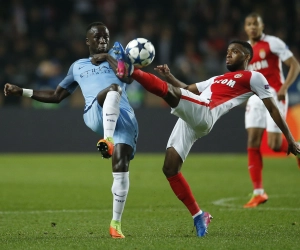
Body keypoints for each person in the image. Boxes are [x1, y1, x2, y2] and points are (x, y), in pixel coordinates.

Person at [114, 40, 300, 237]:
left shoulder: (254, 76)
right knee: (170, 168)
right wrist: (170, 76)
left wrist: (290, 138)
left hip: (206, 111)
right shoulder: (217, 78)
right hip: (195, 111)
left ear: (246, 57)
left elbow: (272, 106)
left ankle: (130, 71)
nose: (228, 54)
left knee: (169, 92)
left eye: (235, 51)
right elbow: (187, 88)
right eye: (228, 51)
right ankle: (199, 215)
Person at [4, 22, 139, 239]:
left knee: (121, 167)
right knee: (112, 90)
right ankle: (108, 140)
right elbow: (57, 96)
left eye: (106, 36)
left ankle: (115, 224)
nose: (103, 40)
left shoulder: (117, 54)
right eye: (98, 37)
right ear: (88, 41)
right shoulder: (78, 66)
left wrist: (108, 58)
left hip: (125, 119)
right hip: (95, 113)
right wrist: (22, 91)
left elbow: (129, 77)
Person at [243, 13, 300, 208]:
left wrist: (285, 88)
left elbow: (295, 65)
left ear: (262, 26)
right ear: (245, 28)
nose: (252, 28)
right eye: (249, 24)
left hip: (274, 96)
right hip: (255, 99)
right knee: (252, 141)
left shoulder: (273, 43)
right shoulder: (244, 50)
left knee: (275, 144)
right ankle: (258, 192)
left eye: (255, 24)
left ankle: (298, 149)